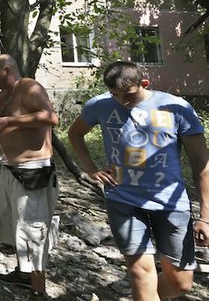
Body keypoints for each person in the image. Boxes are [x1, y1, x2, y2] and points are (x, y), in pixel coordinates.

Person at [68, 61, 209, 301]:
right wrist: (91, 169)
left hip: (170, 204)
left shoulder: (177, 108)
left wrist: (206, 215)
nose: (123, 101)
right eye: (115, 95)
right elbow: (75, 133)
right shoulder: (99, 105)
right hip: (122, 200)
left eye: (129, 95)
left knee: (181, 283)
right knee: (141, 273)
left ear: (144, 83)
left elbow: (201, 163)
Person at [0, 54, 59, 300]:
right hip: (10, 168)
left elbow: (51, 117)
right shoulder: (4, 94)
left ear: (7, 70)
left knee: (33, 229)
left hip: (34, 171)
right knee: (13, 226)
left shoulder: (29, 87)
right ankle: (23, 274)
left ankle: (39, 289)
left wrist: (11, 120)